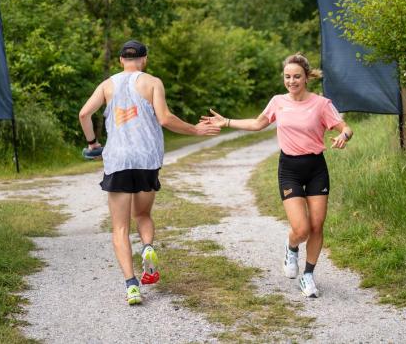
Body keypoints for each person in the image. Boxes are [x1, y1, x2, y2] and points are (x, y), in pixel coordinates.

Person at [79, 40, 220, 305]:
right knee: (142, 214)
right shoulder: (153, 82)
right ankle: (148, 248)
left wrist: (92, 144)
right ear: (144, 59)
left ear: (121, 60)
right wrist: (196, 129)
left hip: (118, 160)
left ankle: (132, 286)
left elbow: (84, 114)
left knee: (120, 227)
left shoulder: (107, 85)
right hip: (146, 159)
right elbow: (165, 119)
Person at [202, 53, 353, 298]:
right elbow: (257, 124)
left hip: (316, 167)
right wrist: (226, 121)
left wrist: (343, 137)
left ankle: (308, 276)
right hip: (290, 169)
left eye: (296, 77)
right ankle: (292, 246)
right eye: (287, 77)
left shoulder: (321, 104)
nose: (291, 81)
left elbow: (346, 127)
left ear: (306, 78)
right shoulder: (277, 102)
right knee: (301, 229)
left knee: (317, 225)